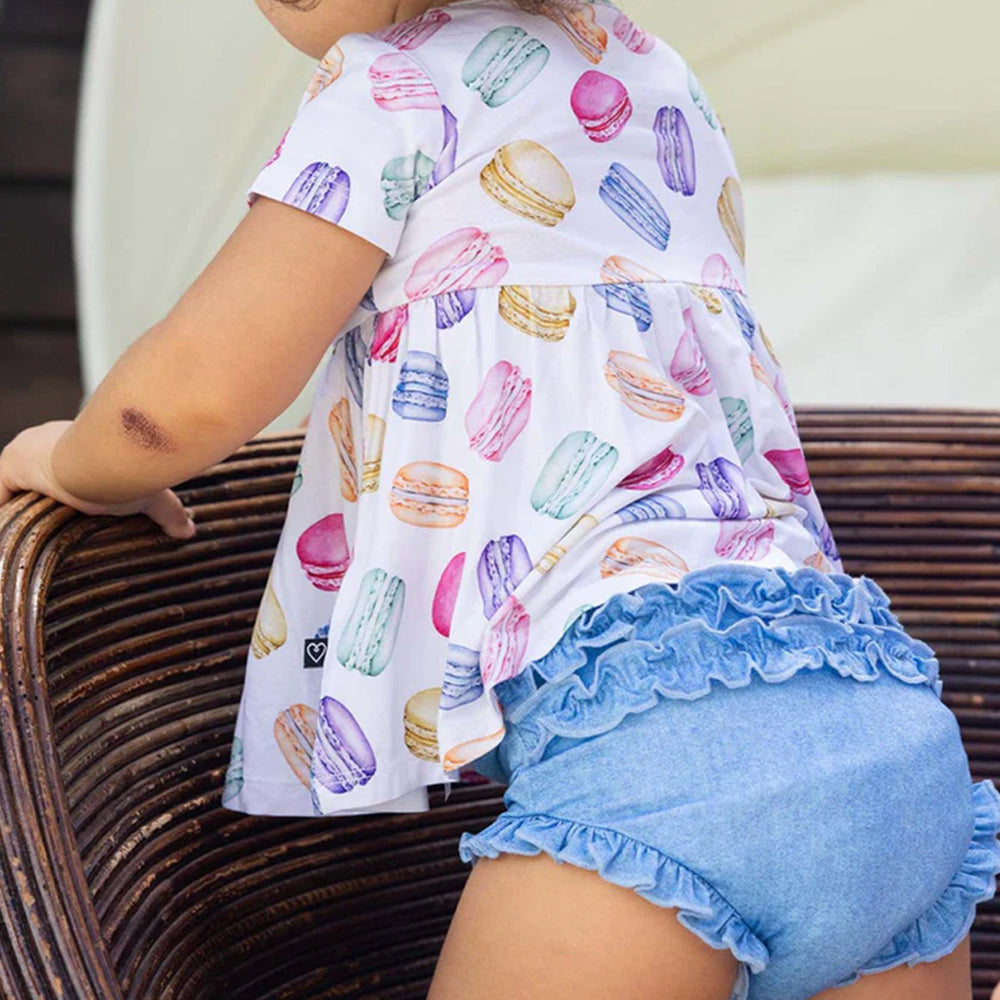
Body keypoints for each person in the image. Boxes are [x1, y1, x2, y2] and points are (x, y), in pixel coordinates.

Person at [1, 0, 998, 997]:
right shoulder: (660, 84)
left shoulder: (387, 86)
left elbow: (184, 400)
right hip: (880, 725)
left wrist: (71, 463)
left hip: (659, 749)